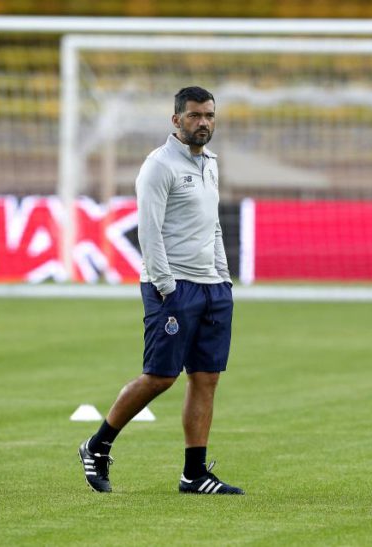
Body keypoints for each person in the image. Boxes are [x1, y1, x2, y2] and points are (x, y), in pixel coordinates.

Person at [78, 86, 243, 495]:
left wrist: (222, 274)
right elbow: (148, 232)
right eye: (194, 115)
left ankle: (194, 474)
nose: (203, 122)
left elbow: (212, 225)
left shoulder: (211, 163)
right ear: (176, 120)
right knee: (160, 377)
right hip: (172, 287)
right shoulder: (159, 166)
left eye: (209, 115)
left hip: (212, 287)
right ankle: (97, 446)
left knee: (206, 378)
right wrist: (166, 285)